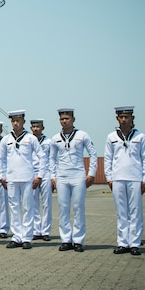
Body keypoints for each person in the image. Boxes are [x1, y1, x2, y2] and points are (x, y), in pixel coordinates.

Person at [104, 106, 145, 256]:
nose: (124, 120)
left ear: (132, 118)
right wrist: (109, 178)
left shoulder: (140, 137)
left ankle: (135, 243)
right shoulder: (111, 137)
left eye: (127, 117)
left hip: (135, 178)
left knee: (135, 211)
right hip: (118, 178)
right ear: (117, 119)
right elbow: (108, 159)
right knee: (121, 212)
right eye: (121, 117)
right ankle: (123, 243)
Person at [49, 108, 97, 253]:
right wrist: (53, 176)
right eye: (62, 119)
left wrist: (91, 173)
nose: (64, 121)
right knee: (63, 209)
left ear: (73, 119)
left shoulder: (82, 135)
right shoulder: (55, 138)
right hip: (62, 177)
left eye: (67, 119)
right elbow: (51, 158)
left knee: (78, 208)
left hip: (78, 176)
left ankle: (78, 240)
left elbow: (93, 154)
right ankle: (66, 240)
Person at [0, 111, 45, 250]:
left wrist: (39, 176)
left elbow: (42, 156)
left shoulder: (31, 138)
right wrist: (1, 176)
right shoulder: (6, 139)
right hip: (11, 179)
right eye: (13, 121)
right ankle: (16, 237)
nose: (15, 123)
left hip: (27, 178)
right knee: (14, 208)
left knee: (27, 208)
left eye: (18, 120)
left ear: (23, 121)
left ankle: (27, 238)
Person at [30, 119, 53, 241]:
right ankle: (36, 230)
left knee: (46, 204)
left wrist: (54, 176)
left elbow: (53, 159)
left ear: (42, 128)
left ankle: (45, 231)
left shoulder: (49, 142)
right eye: (33, 127)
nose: (35, 129)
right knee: (33, 203)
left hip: (45, 174)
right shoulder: (28, 141)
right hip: (32, 174)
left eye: (38, 127)